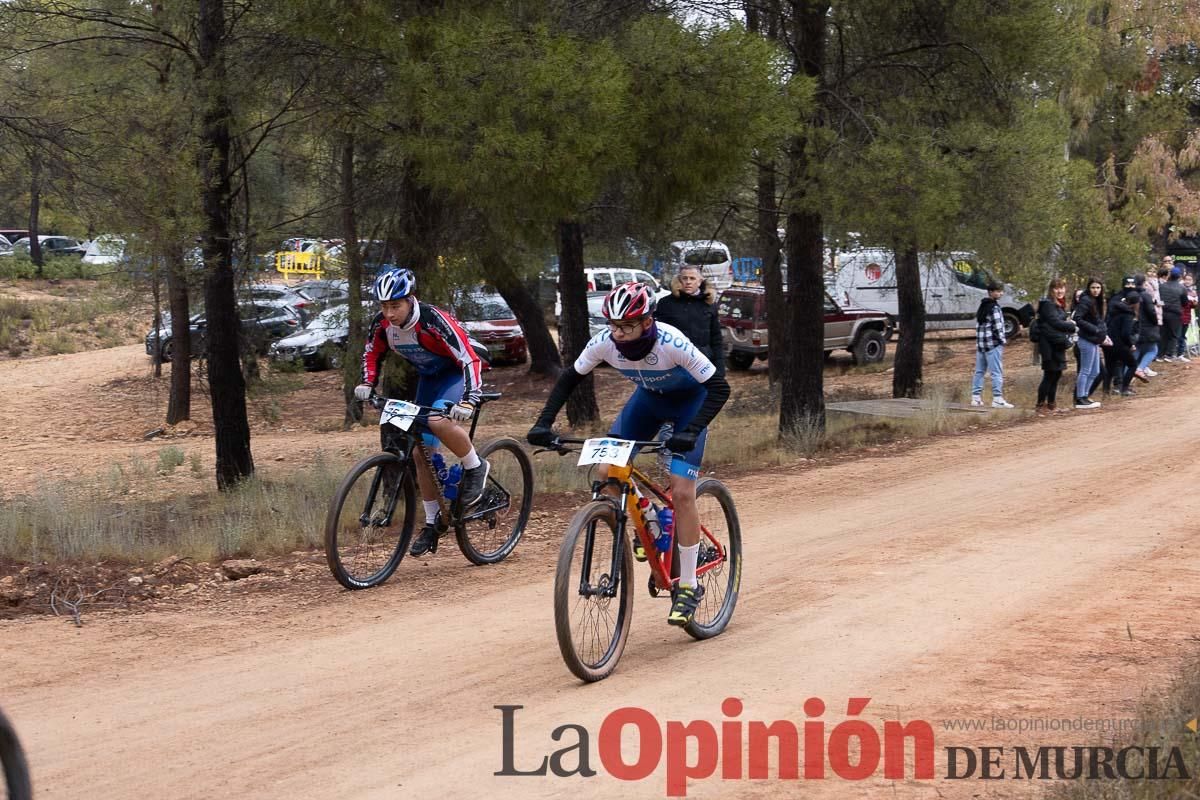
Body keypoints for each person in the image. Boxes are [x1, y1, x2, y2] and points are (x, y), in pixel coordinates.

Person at [527, 282, 731, 628]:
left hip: (690, 406)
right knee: (607, 473)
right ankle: (648, 516)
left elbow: (719, 387)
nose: (618, 334)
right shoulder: (605, 342)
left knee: (681, 491)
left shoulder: (672, 342)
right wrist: (544, 423)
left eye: (627, 326)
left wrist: (692, 430)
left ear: (647, 322)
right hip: (647, 403)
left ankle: (689, 586)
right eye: (614, 326)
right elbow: (569, 379)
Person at [356, 267, 490, 557]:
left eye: (395, 305)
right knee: (421, 453)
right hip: (431, 377)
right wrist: (367, 382)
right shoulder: (381, 325)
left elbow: (468, 358)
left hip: (460, 370)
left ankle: (475, 465)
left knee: (436, 419)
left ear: (410, 300)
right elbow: (372, 353)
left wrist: (469, 400)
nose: (389, 313)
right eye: (384, 306)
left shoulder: (432, 319)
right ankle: (432, 522)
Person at [653, 265, 725, 373]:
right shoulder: (665, 303)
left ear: (700, 282)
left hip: (703, 364)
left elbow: (716, 338)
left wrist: (720, 368)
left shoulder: (709, 304)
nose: (688, 282)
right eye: (684, 278)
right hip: (674, 365)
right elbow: (658, 337)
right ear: (679, 280)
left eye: (692, 278)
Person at [1035, 278, 1077, 413]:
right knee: (1049, 374)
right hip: (1049, 346)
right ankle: (1040, 405)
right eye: (1056, 288)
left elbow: (1058, 323)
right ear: (1051, 290)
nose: (1060, 291)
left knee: (1056, 374)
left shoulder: (1058, 304)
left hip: (1058, 344)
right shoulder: (1048, 304)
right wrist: (1072, 326)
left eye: (1062, 288)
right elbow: (1055, 323)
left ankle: (1051, 404)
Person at [970, 280, 1013, 407]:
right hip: (992, 344)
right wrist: (1002, 341)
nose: (1001, 293)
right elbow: (998, 327)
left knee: (979, 371)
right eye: (998, 291)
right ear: (991, 292)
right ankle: (997, 398)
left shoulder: (982, 306)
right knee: (996, 371)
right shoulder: (994, 307)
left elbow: (979, 326)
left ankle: (976, 397)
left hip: (981, 345)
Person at [1071, 277, 1107, 409]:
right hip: (1086, 339)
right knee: (1085, 370)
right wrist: (1094, 329)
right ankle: (1080, 398)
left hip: (1094, 340)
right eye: (1093, 287)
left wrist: (1103, 333)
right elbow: (1077, 318)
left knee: (1095, 371)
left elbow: (1098, 320)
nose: (1096, 290)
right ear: (1088, 288)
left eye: (1098, 288)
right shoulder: (1086, 300)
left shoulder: (1096, 301)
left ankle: (1085, 395)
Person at [1104, 276, 1143, 395]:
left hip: (1109, 341)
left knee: (1110, 367)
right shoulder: (1127, 312)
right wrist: (1130, 344)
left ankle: (1106, 391)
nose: (1130, 288)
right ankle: (1123, 388)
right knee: (1131, 364)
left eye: (1132, 285)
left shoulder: (1116, 307)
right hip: (1119, 342)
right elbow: (1125, 332)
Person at [1159, 266, 1191, 362]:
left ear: (1170, 275)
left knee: (1163, 334)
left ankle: (1160, 355)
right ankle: (1169, 355)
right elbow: (1185, 303)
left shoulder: (1162, 286)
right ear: (1179, 276)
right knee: (1174, 335)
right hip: (1175, 313)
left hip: (1163, 312)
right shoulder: (1182, 288)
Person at [1134, 274, 1161, 377]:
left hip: (1135, 327)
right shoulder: (1145, 295)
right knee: (1153, 350)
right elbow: (1151, 311)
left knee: (1137, 350)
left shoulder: (1130, 294)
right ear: (1144, 282)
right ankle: (1140, 369)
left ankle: (1127, 373)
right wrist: (1155, 322)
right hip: (1147, 326)